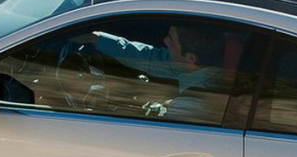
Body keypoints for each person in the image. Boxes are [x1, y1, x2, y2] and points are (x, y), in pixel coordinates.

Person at [90, 24, 230, 123]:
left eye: (171, 40)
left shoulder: (191, 105)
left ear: (190, 58)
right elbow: (149, 57)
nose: (165, 40)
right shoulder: (196, 66)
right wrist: (95, 38)